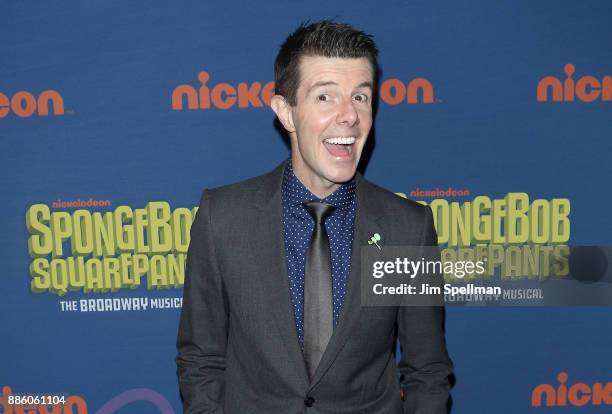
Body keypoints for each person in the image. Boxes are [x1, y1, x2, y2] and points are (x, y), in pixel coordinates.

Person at [176, 20, 453, 413]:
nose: (349, 117)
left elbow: (427, 372)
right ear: (286, 113)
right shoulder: (223, 218)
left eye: (360, 97)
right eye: (326, 97)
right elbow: (201, 361)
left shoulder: (405, 228)